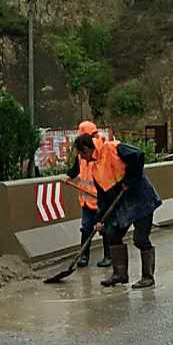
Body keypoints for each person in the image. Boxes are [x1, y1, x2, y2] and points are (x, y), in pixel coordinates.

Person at [72, 132, 162, 289]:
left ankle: (148, 277)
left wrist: (129, 180)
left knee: (140, 238)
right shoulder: (94, 167)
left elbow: (138, 155)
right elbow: (102, 196)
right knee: (112, 234)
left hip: (140, 197)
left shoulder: (113, 148)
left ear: (87, 149)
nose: (81, 158)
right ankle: (119, 274)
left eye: (81, 154)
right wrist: (100, 219)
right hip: (120, 203)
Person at [67, 121, 112, 268]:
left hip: (100, 200)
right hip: (86, 200)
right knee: (86, 228)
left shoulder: (101, 152)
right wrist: (69, 176)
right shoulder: (82, 153)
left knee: (104, 228)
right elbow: (77, 168)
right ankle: (84, 257)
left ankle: (109, 256)